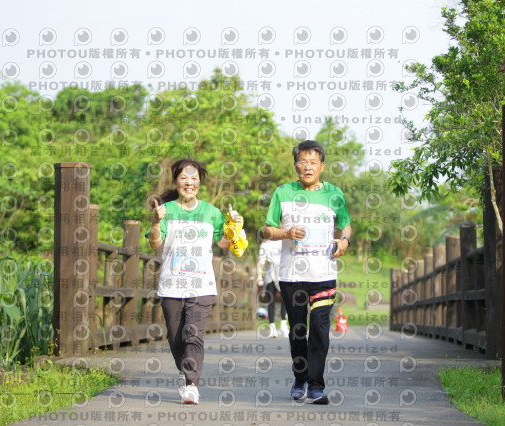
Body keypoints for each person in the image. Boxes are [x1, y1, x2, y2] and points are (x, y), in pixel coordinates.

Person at [145, 159, 244, 405]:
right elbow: (155, 242)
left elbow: (223, 244)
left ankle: (192, 385)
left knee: (193, 334)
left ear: (200, 182)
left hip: (202, 285)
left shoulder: (211, 212)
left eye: (194, 178)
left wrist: (234, 226)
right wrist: (156, 222)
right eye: (184, 178)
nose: (189, 183)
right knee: (175, 337)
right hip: (171, 284)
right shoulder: (166, 210)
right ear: (176, 181)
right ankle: (184, 371)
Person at [263, 140, 352, 404]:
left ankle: (316, 386)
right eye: (303, 162)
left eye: (313, 162)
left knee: (321, 328)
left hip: (324, 274)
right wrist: (287, 233)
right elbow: (267, 230)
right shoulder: (282, 192)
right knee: (298, 329)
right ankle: (300, 377)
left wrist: (345, 241)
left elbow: (346, 225)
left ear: (322, 166)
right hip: (292, 275)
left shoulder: (334, 194)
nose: (308, 167)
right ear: (295, 165)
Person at [256, 238, 289, 338]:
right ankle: (272, 328)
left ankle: (283, 325)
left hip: (283, 273)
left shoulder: (285, 240)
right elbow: (261, 261)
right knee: (271, 301)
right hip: (270, 274)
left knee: (285, 299)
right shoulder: (266, 243)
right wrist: (259, 275)